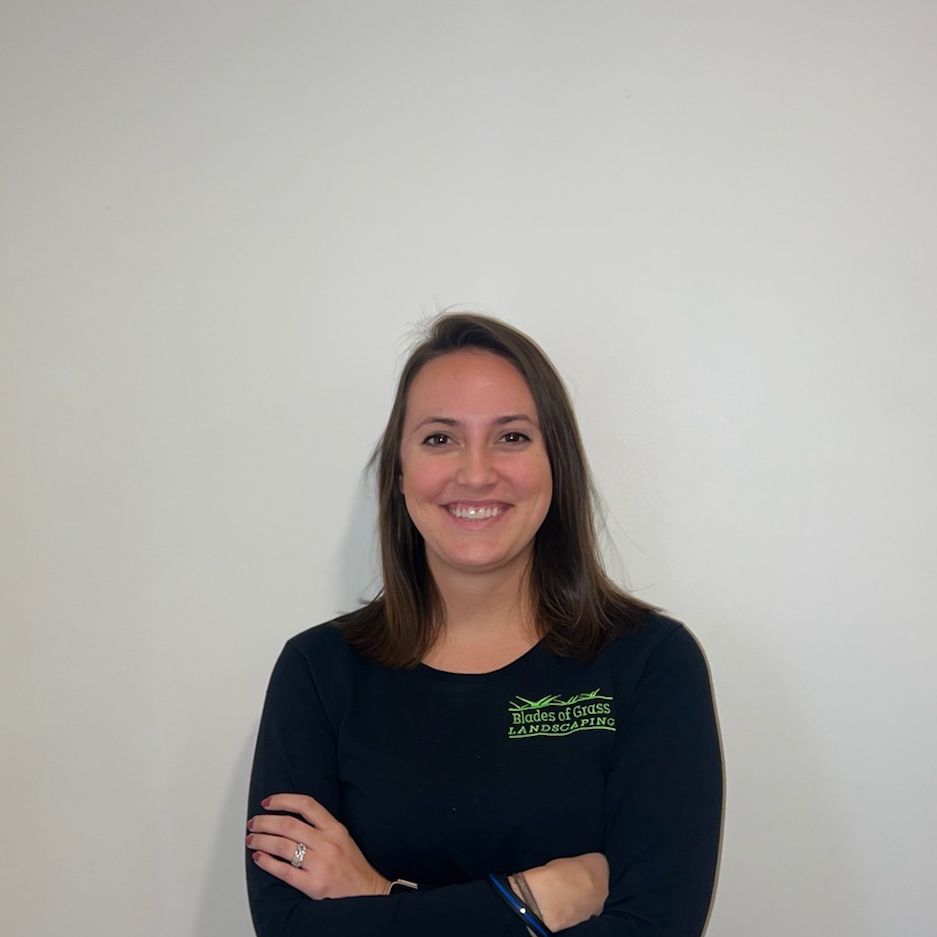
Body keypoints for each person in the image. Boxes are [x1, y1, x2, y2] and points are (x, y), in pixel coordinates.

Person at [245, 313, 723, 936]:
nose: (475, 473)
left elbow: (656, 928)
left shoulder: (649, 664)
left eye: (513, 437)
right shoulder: (317, 671)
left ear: (557, 467)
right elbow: (290, 931)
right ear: (399, 472)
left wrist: (374, 895)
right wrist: (532, 900)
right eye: (440, 438)